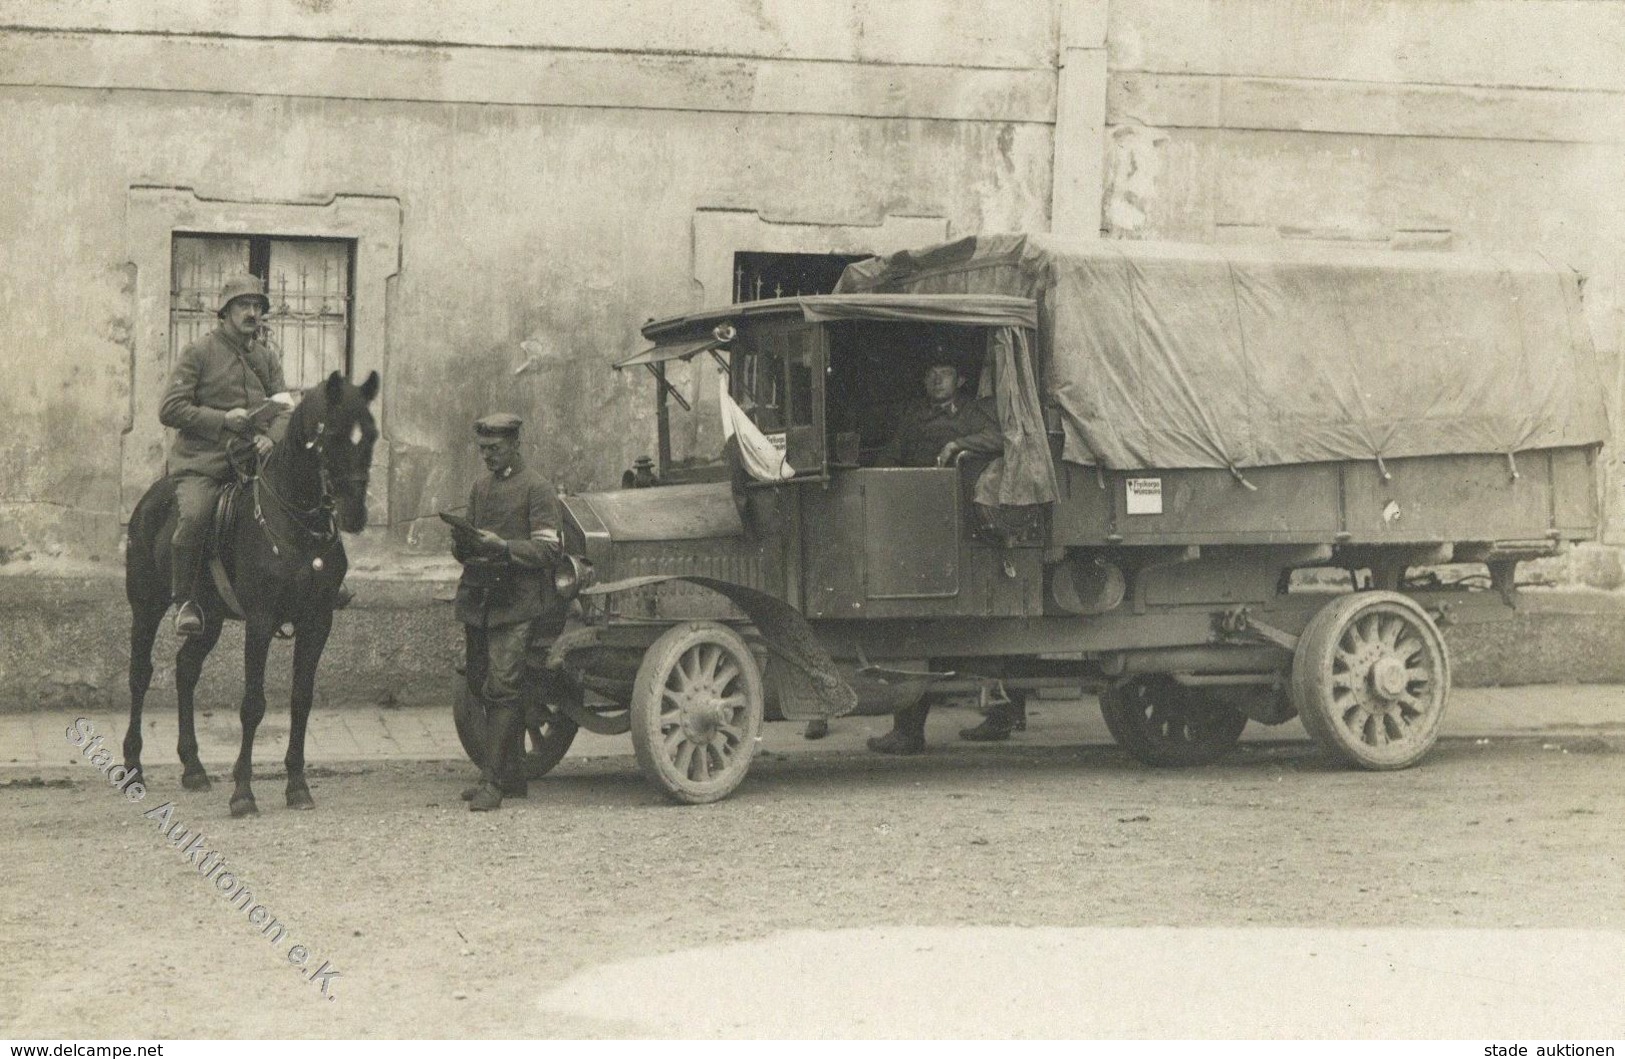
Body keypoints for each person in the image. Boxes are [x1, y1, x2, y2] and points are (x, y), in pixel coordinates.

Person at [866, 358, 1024, 754]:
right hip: (921, 522)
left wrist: (957, 444)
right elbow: (893, 455)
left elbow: (1004, 438)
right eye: (930, 373)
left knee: (981, 624)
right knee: (921, 625)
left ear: (961, 379)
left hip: (970, 522)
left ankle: (995, 716)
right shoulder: (914, 417)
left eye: (945, 372)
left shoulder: (975, 413)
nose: (937, 379)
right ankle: (911, 730)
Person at [158, 273, 289, 637]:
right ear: (225, 311)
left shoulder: (265, 357)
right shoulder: (199, 352)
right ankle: (184, 601)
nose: (252, 313)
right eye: (243, 306)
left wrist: (273, 439)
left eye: (257, 307)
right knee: (197, 515)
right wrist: (222, 420)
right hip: (206, 462)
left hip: (254, 460)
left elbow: (284, 408)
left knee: (299, 498)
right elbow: (170, 408)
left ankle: (295, 591)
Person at [452, 413, 566, 812]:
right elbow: (469, 543)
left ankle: (493, 782)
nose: (486, 456)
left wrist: (503, 547)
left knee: (503, 687)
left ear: (515, 444)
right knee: (480, 681)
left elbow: (550, 550)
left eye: (494, 449)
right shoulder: (481, 487)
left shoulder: (537, 488)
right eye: (482, 449)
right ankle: (513, 774)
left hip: (517, 602)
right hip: (479, 600)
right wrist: (461, 543)